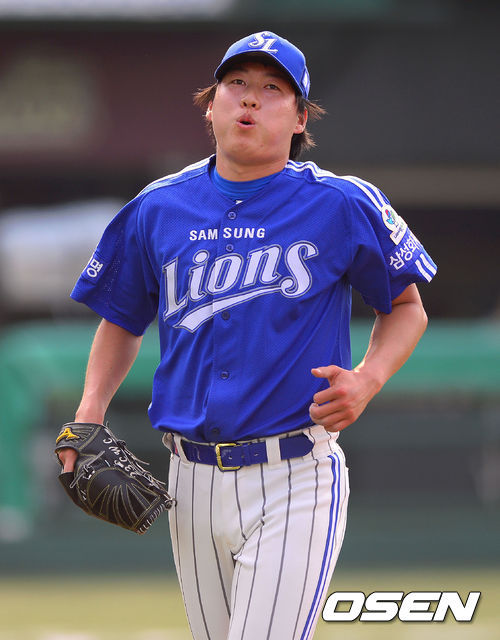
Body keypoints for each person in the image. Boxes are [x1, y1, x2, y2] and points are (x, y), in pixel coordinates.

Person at [58, 30, 436, 640]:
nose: (250, 99)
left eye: (272, 88)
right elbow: (123, 318)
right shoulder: (158, 207)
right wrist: (88, 413)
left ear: (300, 118)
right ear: (211, 106)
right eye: (236, 84)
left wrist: (368, 379)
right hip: (189, 479)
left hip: (295, 474)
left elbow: (406, 305)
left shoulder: (341, 203)